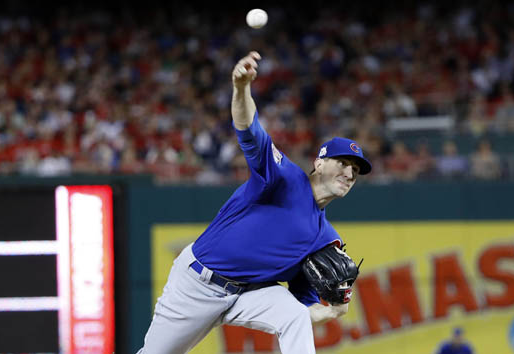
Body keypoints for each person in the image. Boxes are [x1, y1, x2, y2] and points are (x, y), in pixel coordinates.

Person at [138, 51, 372, 353]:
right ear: (319, 163)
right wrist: (241, 88)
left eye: (355, 171)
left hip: (249, 296)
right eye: (343, 163)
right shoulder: (284, 178)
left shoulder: (326, 239)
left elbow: (302, 311)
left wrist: (331, 312)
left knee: (294, 315)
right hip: (197, 285)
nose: (349, 173)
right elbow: (249, 129)